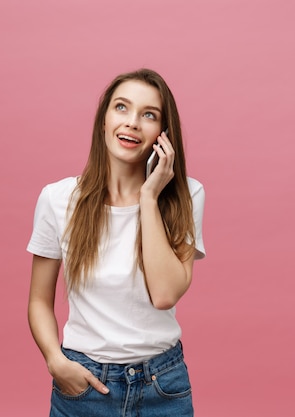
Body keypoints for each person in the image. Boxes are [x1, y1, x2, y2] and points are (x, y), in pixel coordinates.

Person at [27, 68, 206, 417]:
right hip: (85, 385)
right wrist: (55, 361)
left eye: (149, 114)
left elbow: (165, 294)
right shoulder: (58, 198)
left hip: (162, 386)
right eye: (121, 108)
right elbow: (38, 299)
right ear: (103, 121)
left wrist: (149, 197)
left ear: (163, 134)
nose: (133, 123)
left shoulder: (187, 195)